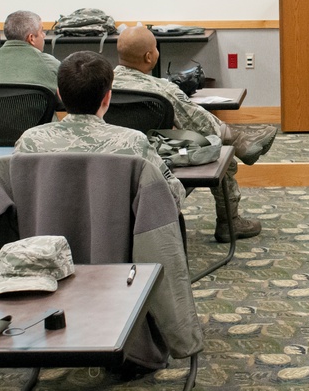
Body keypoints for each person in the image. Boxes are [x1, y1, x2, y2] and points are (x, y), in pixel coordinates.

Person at [113, 24, 277, 242]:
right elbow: (197, 122)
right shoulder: (162, 89)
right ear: (149, 56)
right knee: (221, 151)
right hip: (159, 157)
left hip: (112, 157)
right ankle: (229, 221)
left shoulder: (102, 83)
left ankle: (238, 139)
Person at [14, 51, 185, 208]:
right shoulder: (133, 142)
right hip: (112, 238)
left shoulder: (30, 141)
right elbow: (172, 198)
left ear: (59, 94)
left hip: (42, 237)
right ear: (107, 97)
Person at [0, 10, 60, 92]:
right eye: (42, 31)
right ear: (31, 38)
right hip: (31, 108)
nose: (44, 35)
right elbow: (63, 100)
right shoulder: (51, 65)